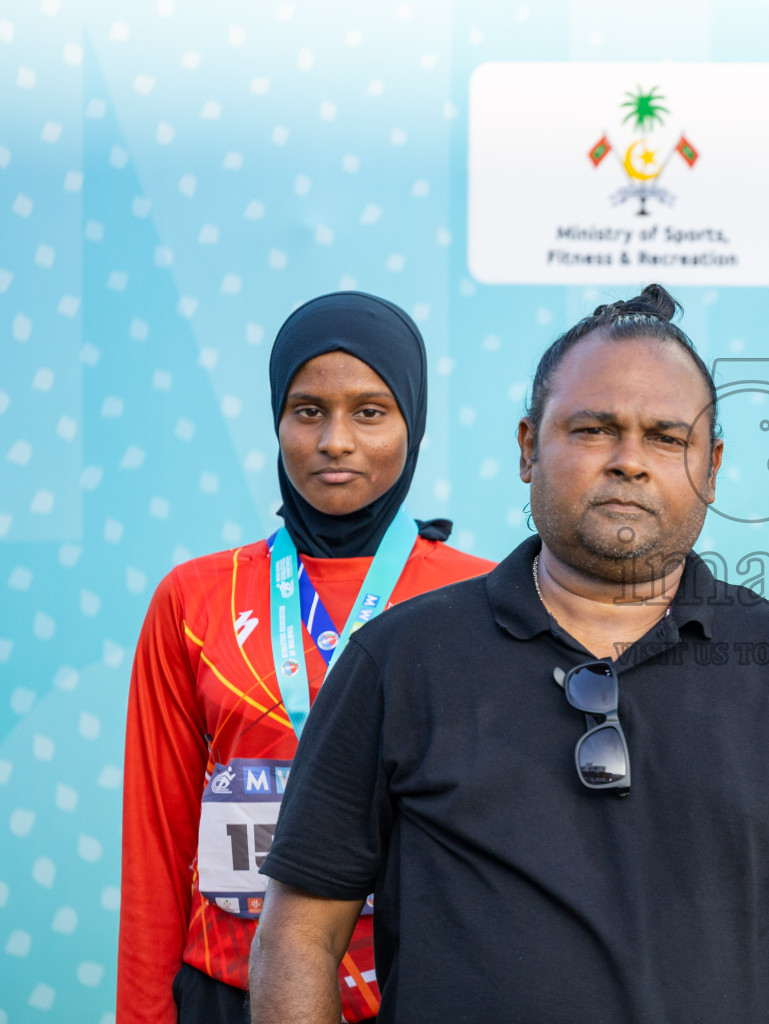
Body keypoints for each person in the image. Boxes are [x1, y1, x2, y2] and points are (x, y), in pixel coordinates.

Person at [246, 286, 769, 1024]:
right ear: (526, 447)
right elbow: (299, 937)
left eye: (667, 438)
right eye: (595, 429)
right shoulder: (396, 661)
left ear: (714, 463)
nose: (629, 462)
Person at [118, 292, 495, 1024]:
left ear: (412, 425)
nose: (335, 441)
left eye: (370, 411)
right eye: (308, 410)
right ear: (277, 422)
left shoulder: (482, 595)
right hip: (228, 991)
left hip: (423, 991)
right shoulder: (194, 599)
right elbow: (157, 843)